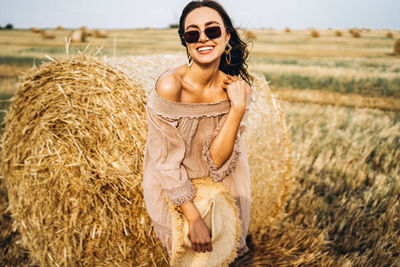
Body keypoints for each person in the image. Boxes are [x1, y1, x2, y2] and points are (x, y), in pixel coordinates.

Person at [142, 0, 254, 260]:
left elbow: (217, 161)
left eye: (212, 30)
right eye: (193, 33)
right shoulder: (170, 85)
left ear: (227, 35)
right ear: (185, 42)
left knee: (224, 257)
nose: (203, 38)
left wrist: (237, 108)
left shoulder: (236, 90)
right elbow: (164, 162)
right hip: (175, 190)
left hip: (221, 184)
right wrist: (193, 217)